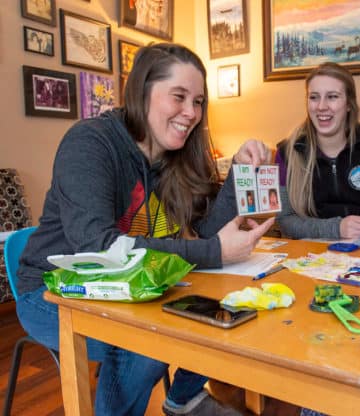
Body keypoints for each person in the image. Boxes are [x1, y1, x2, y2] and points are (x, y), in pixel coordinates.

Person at [15, 43, 274, 416]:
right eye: (179, 97)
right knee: (149, 338)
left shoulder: (174, 156)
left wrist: (239, 173)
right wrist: (215, 251)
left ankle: (183, 398)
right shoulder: (90, 143)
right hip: (51, 290)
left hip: (129, 285)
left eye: (198, 101)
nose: (192, 113)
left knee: (226, 306)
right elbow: (100, 247)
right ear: (143, 92)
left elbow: (205, 234)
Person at [275, 62, 360, 243]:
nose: (321, 106)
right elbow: (285, 220)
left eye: (332, 97)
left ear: (349, 104)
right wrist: (337, 228)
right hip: (312, 256)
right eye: (314, 97)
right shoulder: (287, 152)